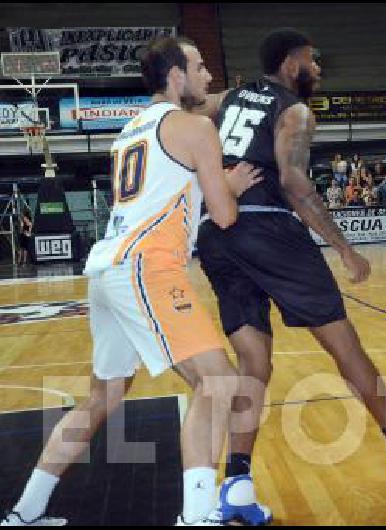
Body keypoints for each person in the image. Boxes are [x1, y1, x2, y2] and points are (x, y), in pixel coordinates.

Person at [194, 28, 386, 525]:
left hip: (217, 232)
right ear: (291, 63)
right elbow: (293, 183)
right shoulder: (294, 109)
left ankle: (238, 482)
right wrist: (345, 249)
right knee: (344, 345)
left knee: (253, 360)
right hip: (267, 227)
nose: (318, 69)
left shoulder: (228, 97)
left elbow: (182, 114)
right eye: (313, 61)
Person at [2, 36, 264, 527]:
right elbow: (225, 216)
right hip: (147, 266)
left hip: (108, 270)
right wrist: (226, 187)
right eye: (200, 66)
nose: (209, 76)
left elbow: (167, 194)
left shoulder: (130, 130)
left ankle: (26, 512)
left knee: (102, 397)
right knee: (220, 380)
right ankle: (199, 515)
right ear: (175, 75)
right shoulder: (196, 128)